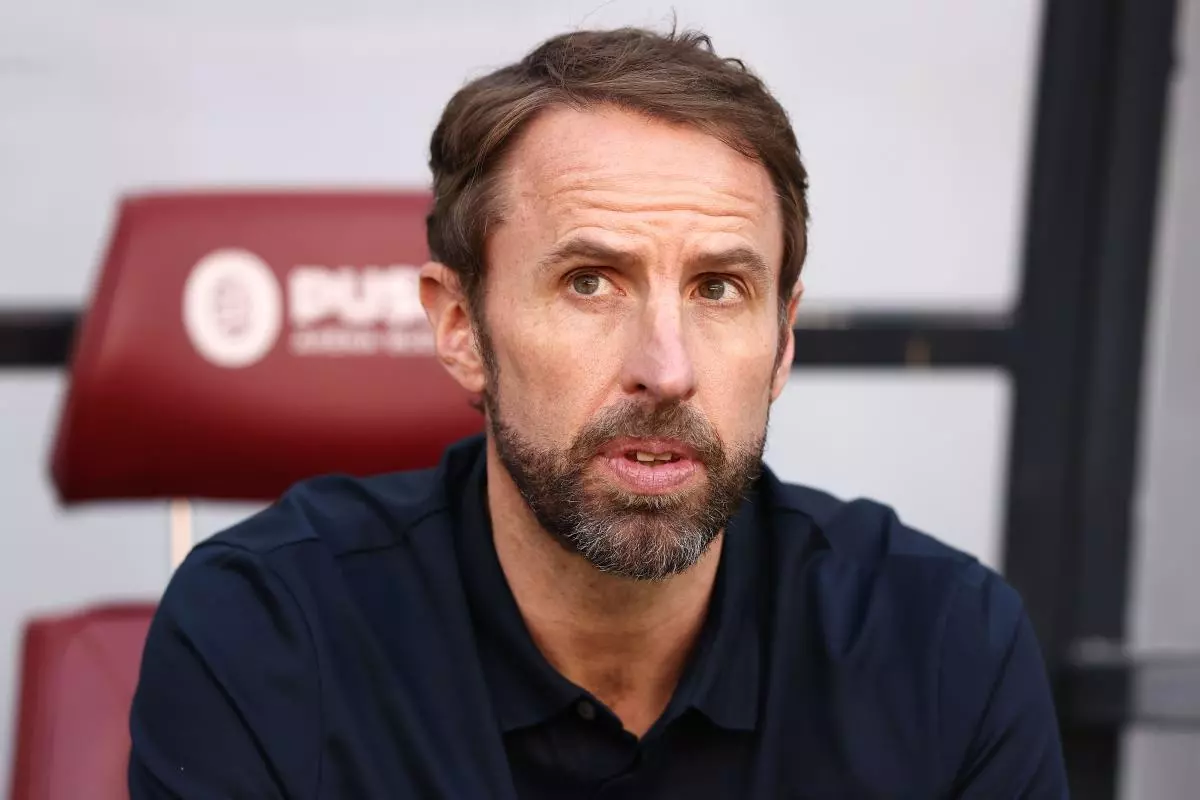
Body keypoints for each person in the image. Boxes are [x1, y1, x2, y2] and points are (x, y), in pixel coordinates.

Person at [129, 26, 1067, 798]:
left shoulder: (942, 647)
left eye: (718, 288)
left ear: (782, 340)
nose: (665, 370)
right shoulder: (270, 636)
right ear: (460, 326)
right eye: (590, 282)